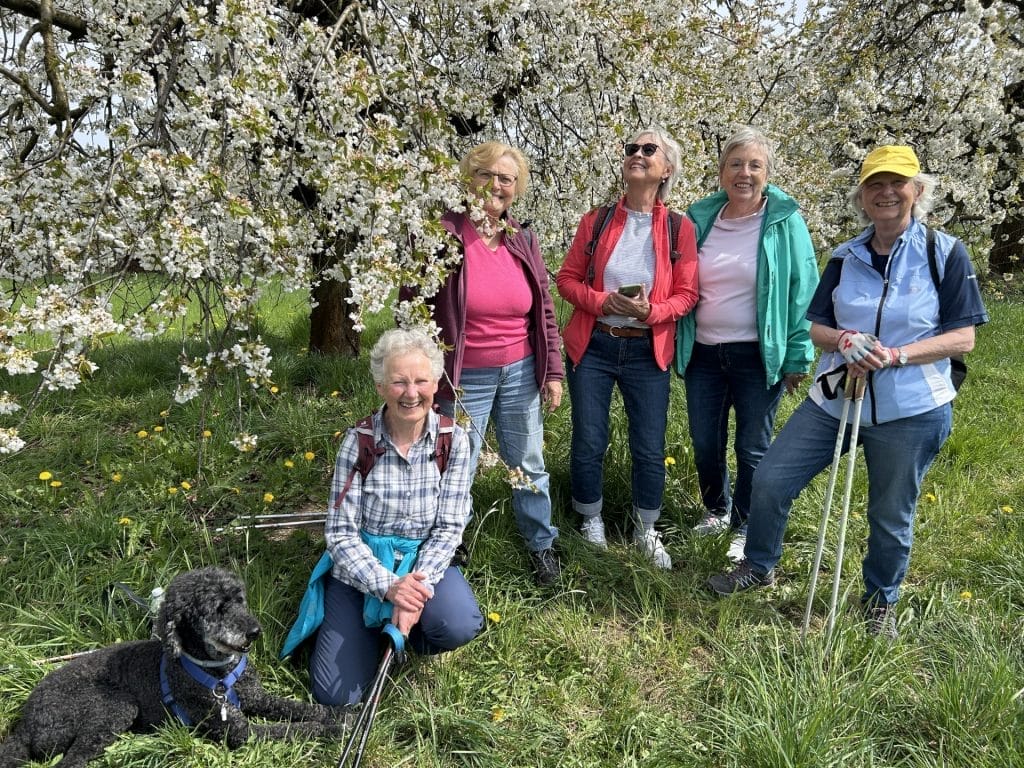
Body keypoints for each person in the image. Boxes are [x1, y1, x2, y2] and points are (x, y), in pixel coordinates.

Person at [707, 145, 989, 638]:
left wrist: (897, 354)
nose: (885, 193)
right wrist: (844, 340)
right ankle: (758, 564)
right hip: (836, 395)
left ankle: (880, 601)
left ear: (916, 192)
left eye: (896, 183)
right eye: (874, 185)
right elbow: (816, 325)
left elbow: (963, 336)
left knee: (889, 511)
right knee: (772, 477)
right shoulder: (845, 255)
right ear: (862, 197)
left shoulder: (942, 251)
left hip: (912, 406)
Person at [407, 140, 565, 587]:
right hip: (461, 376)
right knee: (458, 464)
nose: (496, 185)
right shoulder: (442, 235)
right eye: (486, 175)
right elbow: (412, 307)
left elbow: (544, 309)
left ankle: (540, 543)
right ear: (468, 178)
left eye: (506, 179)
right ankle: (450, 548)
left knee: (526, 462)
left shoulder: (521, 238)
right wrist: (420, 376)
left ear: (517, 188)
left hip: (519, 370)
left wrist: (552, 371)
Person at [310, 328, 483, 706]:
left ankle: (404, 633)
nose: (411, 393)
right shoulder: (359, 442)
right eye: (399, 382)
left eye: (421, 381)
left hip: (424, 562)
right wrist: (389, 587)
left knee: (458, 624)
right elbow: (340, 534)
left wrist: (413, 594)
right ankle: (370, 628)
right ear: (380, 386)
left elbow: (450, 527)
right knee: (336, 696)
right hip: (364, 566)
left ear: (436, 384)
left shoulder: (453, 441)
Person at [556, 127, 699, 568]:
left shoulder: (679, 228)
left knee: (650, 445)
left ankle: (645, 526)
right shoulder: (595, 221)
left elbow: (687, 294)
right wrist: (603, 302)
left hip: (646, 349)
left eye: (648, 149)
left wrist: (650, 312)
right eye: (631, 148)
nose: (637, 153)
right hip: (595, 345)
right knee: (589, 438)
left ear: (666, 169)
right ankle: (590, 517)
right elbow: (566, 280)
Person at [677, 126, 819, 562]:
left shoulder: (783, 220)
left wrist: (799, 353)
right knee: (704, 439)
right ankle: (715, 510)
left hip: (758, 354)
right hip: (703, 351)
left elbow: (803, 289)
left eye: (754, 165)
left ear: (767, 173)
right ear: (721, 172)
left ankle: (744, 524)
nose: (744, 173)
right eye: (735, 164)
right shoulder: (699, 219)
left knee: (752, 446)